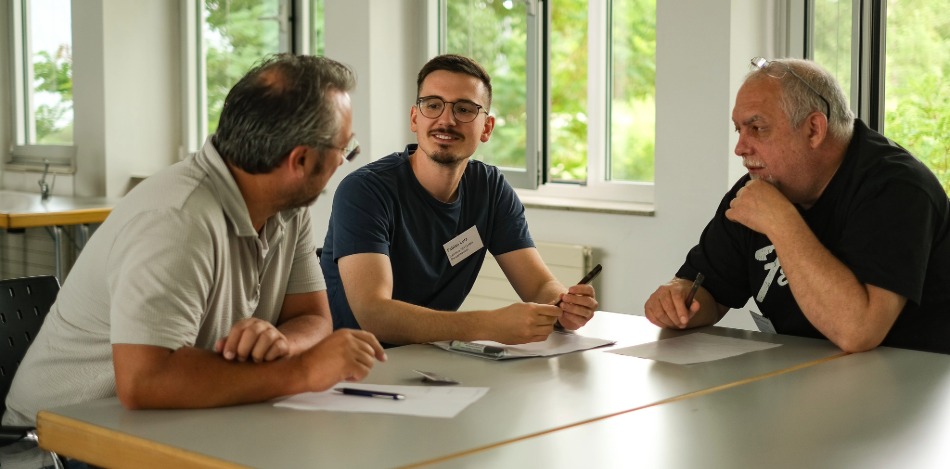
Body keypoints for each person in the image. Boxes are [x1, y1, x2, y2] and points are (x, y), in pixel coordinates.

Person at [2, 54, 387, 428]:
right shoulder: (178, 220)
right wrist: (302, 370)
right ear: (299, 161)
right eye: (344, 149)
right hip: (56, 444)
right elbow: (144, 382)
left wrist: (279, 343)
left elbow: (314, 318)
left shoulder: (286, 206)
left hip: (174, 424)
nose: (343, 162)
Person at [644, 57, 950, 354]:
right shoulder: (759, 189)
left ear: (814, 129)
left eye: (757, 128)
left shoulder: (897, 188)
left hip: (912, 384)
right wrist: (679, 300)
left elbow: (858, 332)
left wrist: (781, 222)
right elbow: (710, 291)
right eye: (739, 129)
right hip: (807, 379)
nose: (740, 148)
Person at [319, 54, 598, 346]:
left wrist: (564, 306)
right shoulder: (365, 191)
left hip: (431, 360)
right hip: (351, 369)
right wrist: (488, 325)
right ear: (415, 118)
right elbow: (375, 316)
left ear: (487, 128)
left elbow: (540, 285)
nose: (447, 120)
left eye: (464, 109)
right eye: (433, 105)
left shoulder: (490, 189)